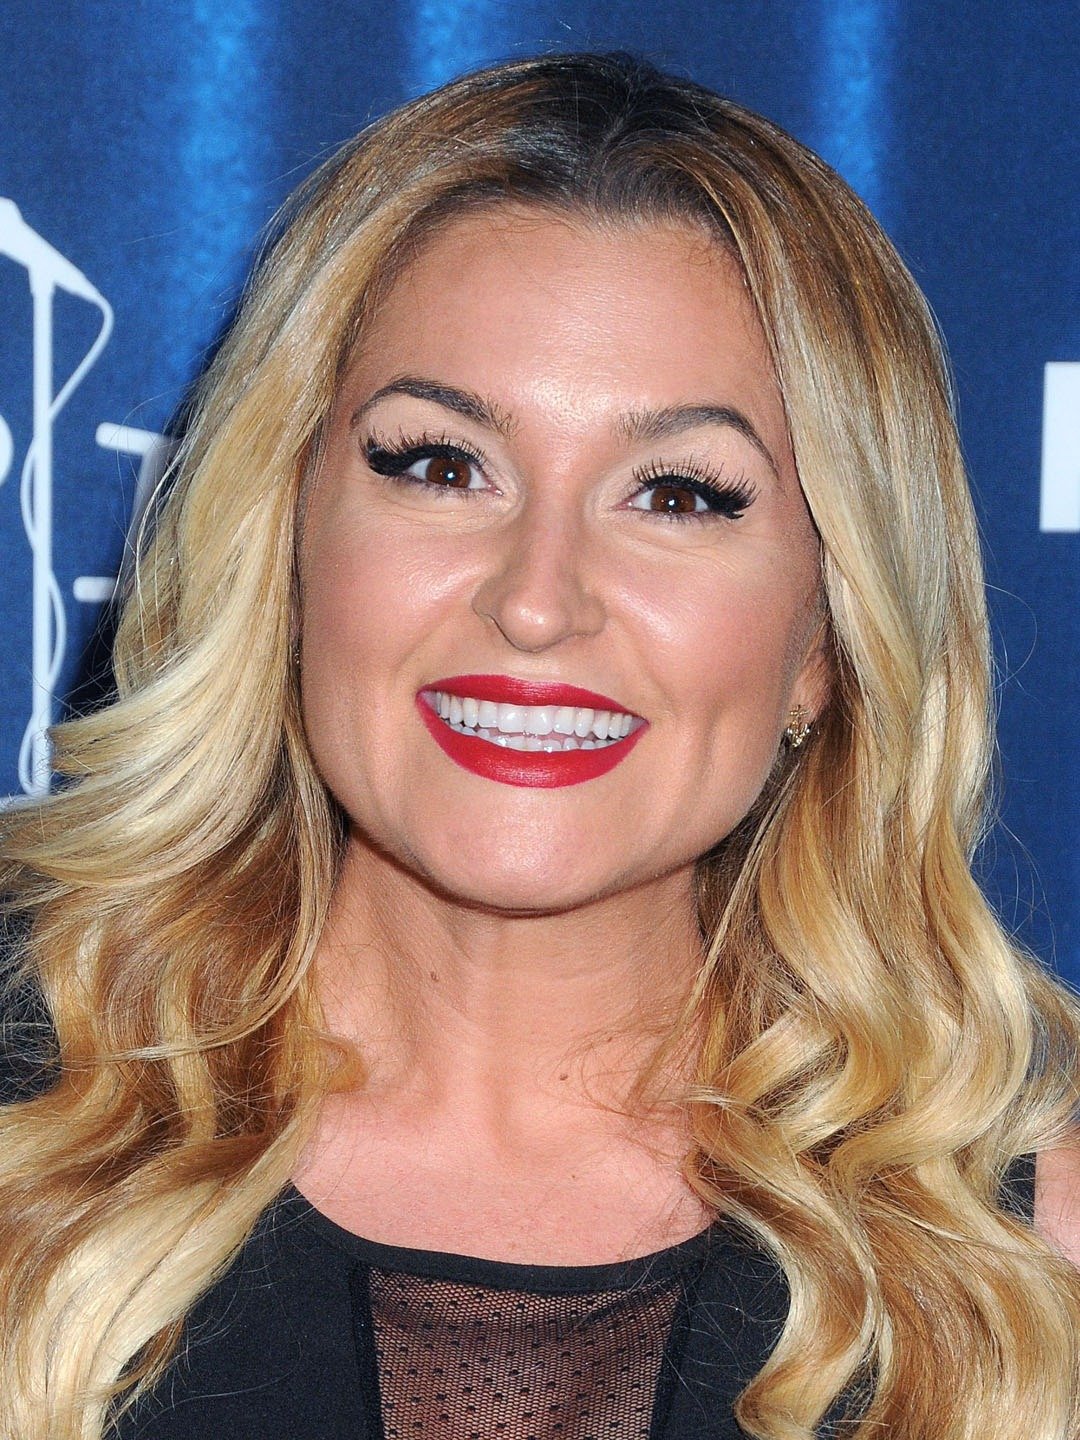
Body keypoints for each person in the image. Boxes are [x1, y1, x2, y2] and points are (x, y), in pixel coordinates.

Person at [0, 51, 1077, 1440]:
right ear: (286, 539)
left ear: (825, 631)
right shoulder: (28, 1123)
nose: (536, 598)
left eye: (677, 495)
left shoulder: (1024, 1265)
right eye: (441, 465)